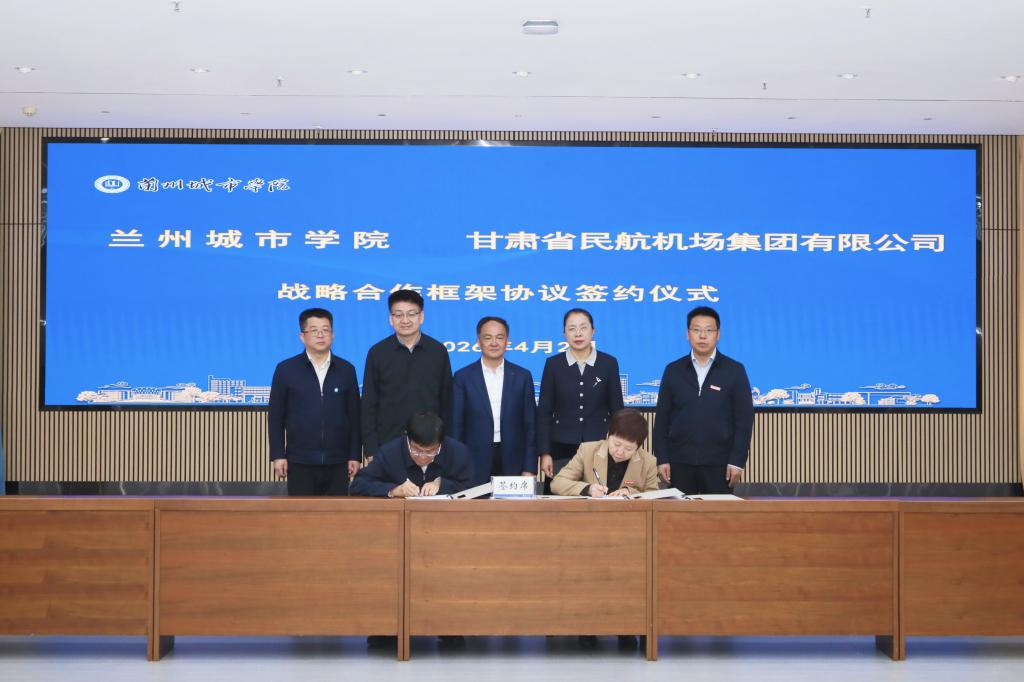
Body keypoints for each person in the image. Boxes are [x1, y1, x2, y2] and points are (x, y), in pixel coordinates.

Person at [653, 305, 754, 495]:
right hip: (679, 463)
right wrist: (662, 458)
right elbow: (662, 420)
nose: (702, 336)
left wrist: (737, 461)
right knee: (679, 513)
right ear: (688, 334)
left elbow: (744, 421)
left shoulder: (734, 371)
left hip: (720, 464)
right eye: (697, 330)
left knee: (717, 514)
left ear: (718, 334)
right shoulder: (673, 370)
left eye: (709, 330)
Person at [268, 308, 361, 496]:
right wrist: (278, 455)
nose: (320, 335)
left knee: (336, 513)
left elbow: (355, 417)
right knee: (301, 513)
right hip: (299, 461)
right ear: (302, 336)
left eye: (325, 330)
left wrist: (355, 455)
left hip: (338, 461)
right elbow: (276, 417)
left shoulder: (346, 370)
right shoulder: (286, 369)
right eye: (314, 330)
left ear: (332, 335)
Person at [536, 308, 624, 493]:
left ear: (593, 331)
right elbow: (544, 412)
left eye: (583, 327)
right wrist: (545, 453)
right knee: (559, 499)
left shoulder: (608, 363)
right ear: (564, 333)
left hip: (599, 446)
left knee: (598, 497)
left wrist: (618, 446)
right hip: (561, 446)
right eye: (572, 328)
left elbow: (617, 410)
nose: (578, 333)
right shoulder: (553, 364)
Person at [361, 289, 453, 460]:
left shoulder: (438, 351)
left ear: (421, 316)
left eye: (411, 314)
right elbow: (369, 404)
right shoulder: (378, 352)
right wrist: (371, 449)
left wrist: (445, 444)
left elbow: (447, 402)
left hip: (430, 445)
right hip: (388, 445)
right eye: (398, 315)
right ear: (390, 318)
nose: (405, 320)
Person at [451, 316, 537, 486]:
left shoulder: (522, 376)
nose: (494, 343)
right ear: (478, 341)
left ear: (507, 341)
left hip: (513, 461)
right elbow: (456, 426)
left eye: (499, 337)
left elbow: (530, 426)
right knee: (475, 504)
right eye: (487, 337)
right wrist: (456, 466)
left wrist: (529, 467)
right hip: (473, 462)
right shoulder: (463, 377)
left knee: (512, 505)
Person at [349, 412, 474, 498]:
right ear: (407, 439)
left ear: (441, 444)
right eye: (416, 450)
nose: (423, 457)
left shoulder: (458, 452)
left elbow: (473, 489)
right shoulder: (390, 452)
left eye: (430, 451)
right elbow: (358, 485)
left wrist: (443, 485)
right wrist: (393, 490)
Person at [551, 408, 659, 497]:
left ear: (637, 448)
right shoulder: (587, 451)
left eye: (628, 449)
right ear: (608, 435)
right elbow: (557, 483)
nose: (620, 452)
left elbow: (654, 496)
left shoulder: (648, 462)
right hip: (592, 513)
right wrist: (588, 489)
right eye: (616, 444)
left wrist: (630, 492)